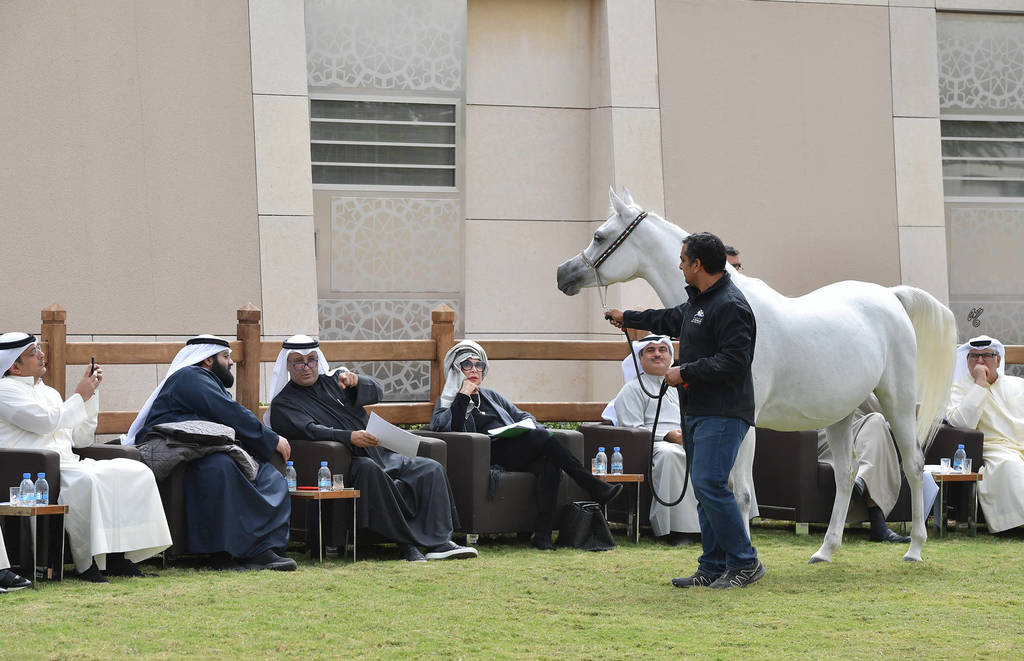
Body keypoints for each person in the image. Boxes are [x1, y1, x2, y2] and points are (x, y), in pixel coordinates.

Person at [605, 231, 765, 589]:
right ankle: (712, 566)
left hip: (724, 412)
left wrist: (685, 372)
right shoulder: (700, 301)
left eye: (683, 259)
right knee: (705, 486)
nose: (679, 265)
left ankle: (745, 562)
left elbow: (736, 360)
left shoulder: (731, 306)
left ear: (697, 264)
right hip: (699, 411)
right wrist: (626, 316)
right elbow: (668, 318)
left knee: (709, 483)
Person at [267, 335, 476, 562]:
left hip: (379, 452)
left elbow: (377, 392)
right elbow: (311, 430)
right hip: (348, 461)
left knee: (430, 468)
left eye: (312, 360)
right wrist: (350, 437)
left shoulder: (335, 382)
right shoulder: (284, 403)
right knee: (369, 470)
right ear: (287, 365)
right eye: (299, 361)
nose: (306, 367)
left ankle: (440, 543)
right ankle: (406, 545)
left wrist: (359, 381)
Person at [0, 332, 171, 582]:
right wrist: (80, 395)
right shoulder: (5, 391)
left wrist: (90, 397)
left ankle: (117, 557)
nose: (41, 354)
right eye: (33, 352)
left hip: (69, 463)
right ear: (14, 366)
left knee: (134, 471)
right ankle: (86, 564)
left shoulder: (48, 393)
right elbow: (47, 423)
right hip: (34, 470)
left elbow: (80, 439)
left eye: (39, 349)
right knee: (86, 481)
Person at [428, 340, 623, 551]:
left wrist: (529, 428)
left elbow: (522, 415)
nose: (475, 370)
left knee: (549, 463)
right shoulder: (447, 401)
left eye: (479, 365)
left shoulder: (491, 396)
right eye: (467, 364)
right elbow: (450, 428)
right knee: (541, 439)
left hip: (514, 449)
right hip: (487, 455)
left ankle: (543, 535)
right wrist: (462, 396)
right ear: (456, 368)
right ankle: (593, 485)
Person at [127, 335, 295, 571]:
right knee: (221, 467)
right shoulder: (190, 377)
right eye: (226, 357)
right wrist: (271, 438)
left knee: (270, 476)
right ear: (207, 360)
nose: (231, 363)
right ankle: (223, 554)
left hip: (205, 448)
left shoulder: (205, 380)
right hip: (180, 449)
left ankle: (262, 550)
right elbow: (229, 412)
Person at [606, 334, 700, 545]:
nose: (657, 354)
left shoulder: (683, 387)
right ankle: (676, 530)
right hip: (653, 445)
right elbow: (632, 429)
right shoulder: (632, 389)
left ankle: (712, 527)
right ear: (640, 358)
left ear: (670, 356)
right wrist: (667, 435)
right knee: (671, 454)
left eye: (662, 350)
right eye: (650, 350)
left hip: (690, 438)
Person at [947, 334, 1024, 533]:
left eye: (986, 356)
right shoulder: (959, 388)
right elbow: (963, 423)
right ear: (967, 360)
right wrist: (979, 383)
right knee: (1010, 466)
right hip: (995, 448)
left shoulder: (1018, 384)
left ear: (998, 360)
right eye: (974, 356)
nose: (980, 361)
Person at [816, 396, 911, 543]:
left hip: (856, 437)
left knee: (875, 425)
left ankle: (860, 481)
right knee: (876, 421)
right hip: (828, 436)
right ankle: (878, 524)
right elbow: (887, 412)